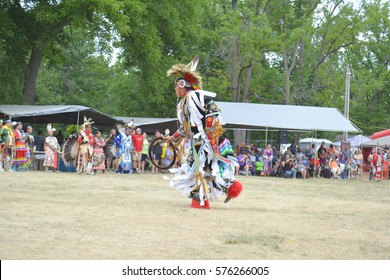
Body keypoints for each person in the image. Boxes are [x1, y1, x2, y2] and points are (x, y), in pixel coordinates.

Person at [164, 56, 242, 208]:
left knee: (197, 169)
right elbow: (185, 128)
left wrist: (210, 133)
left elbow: (212, 110)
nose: (175, 90)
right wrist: (172, 138)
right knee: (199, 170)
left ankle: (202, 201)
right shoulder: (182, 105)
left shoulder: (196, 96)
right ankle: (211, 196)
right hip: (199, 141)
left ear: (182, 85)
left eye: (176, 86)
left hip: (207, 140)